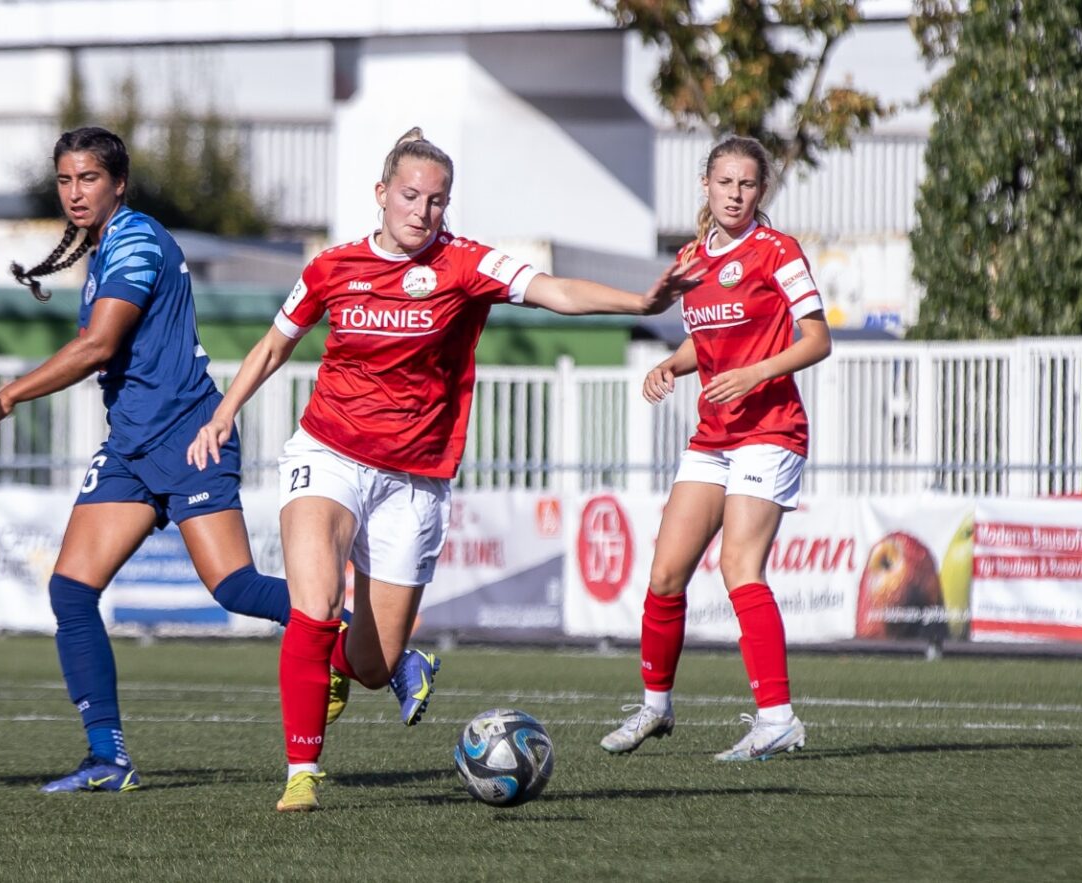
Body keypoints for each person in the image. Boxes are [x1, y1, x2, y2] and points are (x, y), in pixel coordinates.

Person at [187, 128, 701, 812]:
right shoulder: (331, 268)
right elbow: (273, 346)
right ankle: (301, 773)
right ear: (381, 194)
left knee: (372, 664)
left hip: (415, 480)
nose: (422, 211)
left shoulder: (465, 264)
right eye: (410, 195)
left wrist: (639, 302)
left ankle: (354, 665)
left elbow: (553, 290)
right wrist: (225, 413)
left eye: (437, 200)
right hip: (328, 452)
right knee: (313, 604)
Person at [0, 126, 397, 794]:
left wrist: (7, 394)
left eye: (88, 178)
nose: (74, 191)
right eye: (64, 179)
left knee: (233, 587)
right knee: (70, 589)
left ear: (119, 182)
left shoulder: (137, 240)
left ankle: (378, 652)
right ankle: (108, 758)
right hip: (133, 444)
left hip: (185, 436)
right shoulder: (106, 244)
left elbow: (96, 345)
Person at [600, 135, 832, 762]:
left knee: (739, 569)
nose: (735, 194)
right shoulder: (693, 259)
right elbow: (707, 342)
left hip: (770, 430)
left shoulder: (777, 252)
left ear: (761, 191)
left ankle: (777, 718)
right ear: (706, 185)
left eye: (748, 184)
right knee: (666, 572)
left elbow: (817, 340)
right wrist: (671, 367)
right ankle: (654, 708)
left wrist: (757, 373)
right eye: (725, 182)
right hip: (714, 434)